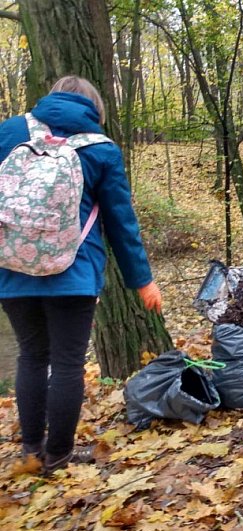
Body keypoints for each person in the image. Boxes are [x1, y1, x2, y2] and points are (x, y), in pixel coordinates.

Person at [0, 76, 162, 474]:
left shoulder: (9, 131)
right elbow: (121, 223)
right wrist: (142, 280)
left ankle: (31, 451)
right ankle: (58, 456)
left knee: (32, 356)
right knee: (69, 363)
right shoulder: (101, 149)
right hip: (74, 272)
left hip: (11, 268)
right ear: (95, 108)